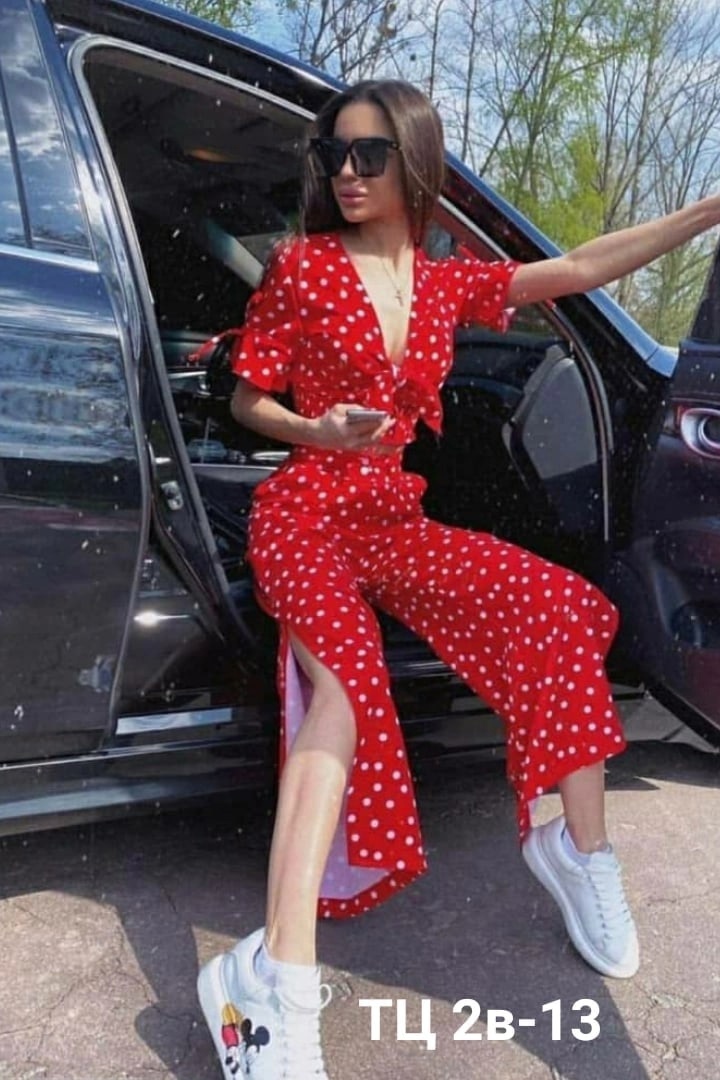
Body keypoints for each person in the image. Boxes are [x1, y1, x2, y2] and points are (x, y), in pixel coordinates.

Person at [196, 78, 720, 1080]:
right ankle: (274, 975)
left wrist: (706, 211)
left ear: (415, 162)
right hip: (306, 514)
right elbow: (250, 397)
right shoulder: (302, 266)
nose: (347, 173)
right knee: (346, 692)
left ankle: (580, 851)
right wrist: (315, 427)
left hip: (392, 518)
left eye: (371, 154)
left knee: (562, 606)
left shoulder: (445, 284)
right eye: (335, 155)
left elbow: (579, 268)